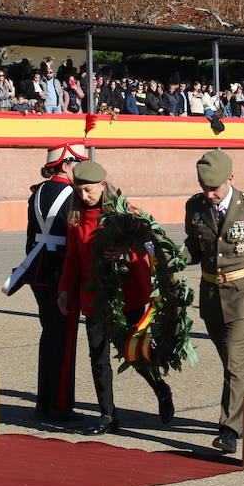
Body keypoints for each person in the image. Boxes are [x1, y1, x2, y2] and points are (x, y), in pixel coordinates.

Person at [57, 160, 174, 434]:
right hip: (94, 295)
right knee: (97, 356)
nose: (83, 196)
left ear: (102, 185)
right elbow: (73, 257)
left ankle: (161, 389)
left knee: (133, 353)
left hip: (127, 295)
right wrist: (64, 290)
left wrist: (126, 254)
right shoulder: (75, 218)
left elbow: (148, 246)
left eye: (88, 190)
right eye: (79, 191)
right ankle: (108, 415)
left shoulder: (125, 212)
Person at [183, 150, 244, 454]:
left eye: (214, 188)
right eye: (205, 188)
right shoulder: (195, 206)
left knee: (236, 361)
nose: (210, 194)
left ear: (230, 178)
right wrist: (165, 255)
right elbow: (194, 250)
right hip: (212, 295)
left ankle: (228, 430)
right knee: (232, 364)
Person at [5, 143, 89, 426]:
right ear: (65, 165)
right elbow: (75, 233)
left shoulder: (38, 191)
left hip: (39, 268)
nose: (82, 168)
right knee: (64, 339)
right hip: (62, 269)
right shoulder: (71, 195)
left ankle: (44, 402)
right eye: (78, 163)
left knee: (49, 336)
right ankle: (61, 406)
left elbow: (31, 235)